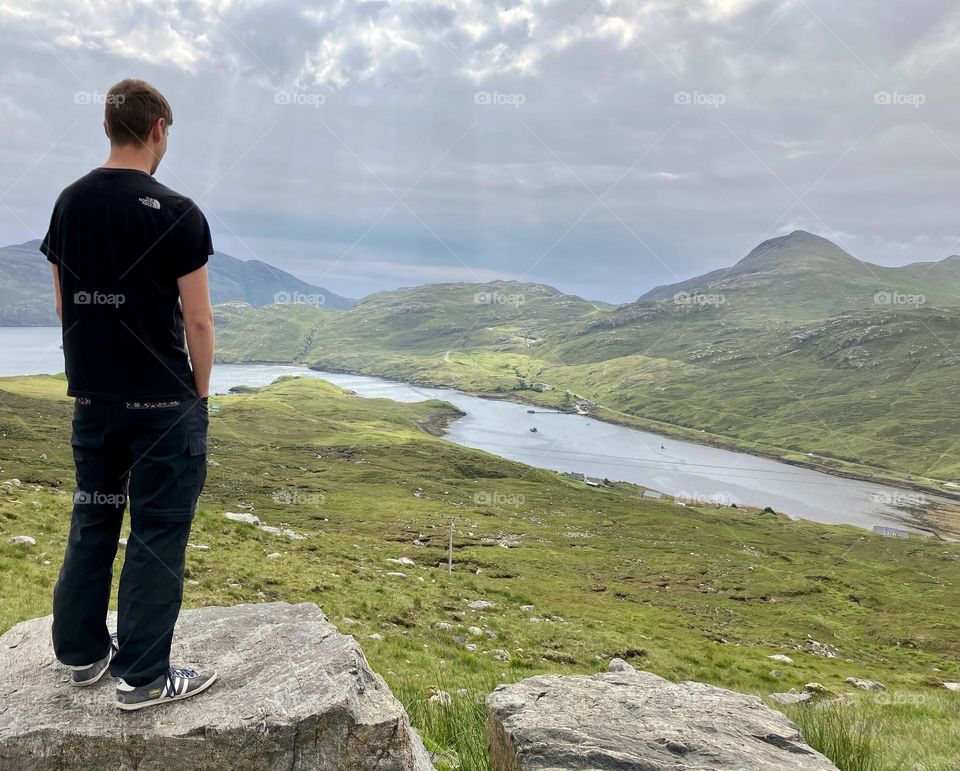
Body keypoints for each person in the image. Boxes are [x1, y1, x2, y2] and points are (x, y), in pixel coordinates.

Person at [42, 79, 218, 710]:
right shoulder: (177, 211)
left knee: (93, 517)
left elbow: (64, 305)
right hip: (163, 405)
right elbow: (198, 320)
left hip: (93, 400)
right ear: (158, 128)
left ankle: (82, 653)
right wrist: (199, 397)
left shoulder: (69, 202)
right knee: (158, 530)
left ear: (107, 127)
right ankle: (144, 677)